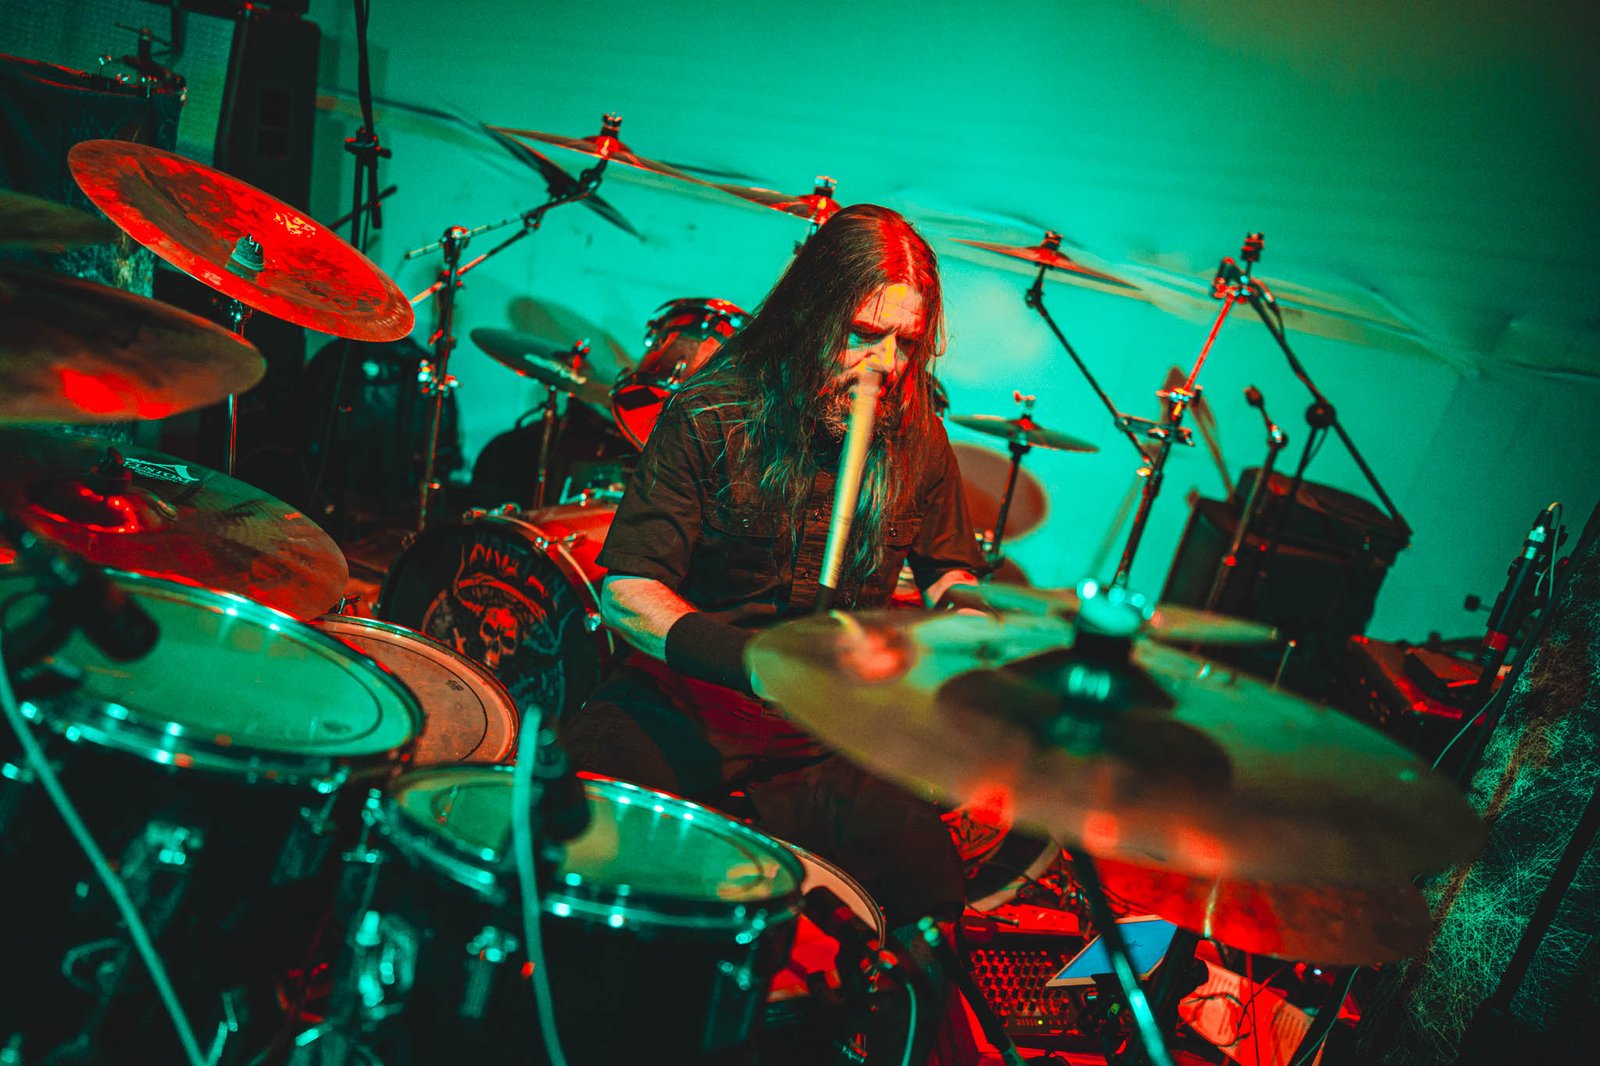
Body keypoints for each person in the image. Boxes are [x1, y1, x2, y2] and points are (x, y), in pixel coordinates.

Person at [561, 203, 987, 932]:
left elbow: (950, 570)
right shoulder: (711, 413)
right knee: (581, 857)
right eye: (863, 335)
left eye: (907, 343)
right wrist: (760, 665)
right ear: (811, 315)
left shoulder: (916, 434)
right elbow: (629, 592)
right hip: (686, 708)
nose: (885, 365)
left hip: (826, 736)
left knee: (930, 916)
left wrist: (969, 626)